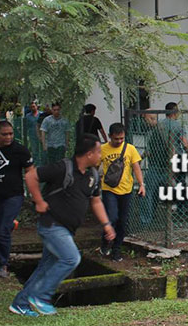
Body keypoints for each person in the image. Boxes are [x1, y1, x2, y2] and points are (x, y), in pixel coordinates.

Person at [10, 133, 115, 317]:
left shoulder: (93, 175)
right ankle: (41, 296)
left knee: (45, 267)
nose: (101, 155)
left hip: (66, 230)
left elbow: (96, 201)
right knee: (71, 258)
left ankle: (20, 303)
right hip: (51, 225)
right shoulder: (62, 168)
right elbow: (31, 176)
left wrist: (106, 225)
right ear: (89, 154)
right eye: (99, 152)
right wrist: (39, 201)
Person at [0, 121, 34, 278]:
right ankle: (9, 223)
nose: (9, 137)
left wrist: (34, 195)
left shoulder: (20, 151)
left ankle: (2, 264)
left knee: (1, 231)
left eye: (11, 133)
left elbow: (31, 173)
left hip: (12, 197)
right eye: (5, 134)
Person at [99, 123, 145, 261]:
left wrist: (142, 184)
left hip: (126, 189)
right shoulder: (102, 149)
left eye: (122, 139)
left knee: (123, 221)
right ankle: (105, 242)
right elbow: (94, 166)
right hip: (109, 189)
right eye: (116, 139)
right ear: (110, 136)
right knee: (112, 217)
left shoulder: (130, 149)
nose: (119, 141)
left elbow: (136, 167)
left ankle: (117, 250)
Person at [157, 102, 188, 220]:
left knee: (167, 182)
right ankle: (182, 210)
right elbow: (184, 142)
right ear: (174, 112)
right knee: (180, 183)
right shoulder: (177, 125)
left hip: (163, 158)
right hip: (177, 157)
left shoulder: (159, 125)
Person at [24, 101, 43, 166]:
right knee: (35, 150)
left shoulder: (41, 114)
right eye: (31, 107)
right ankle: (36, 164)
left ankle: (43, 164)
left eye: (34, 106)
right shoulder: (28, 116)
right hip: (32, 135)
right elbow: (26, 126)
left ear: (37, 106)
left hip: (41, 135)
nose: (33, 108)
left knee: (43, 150)